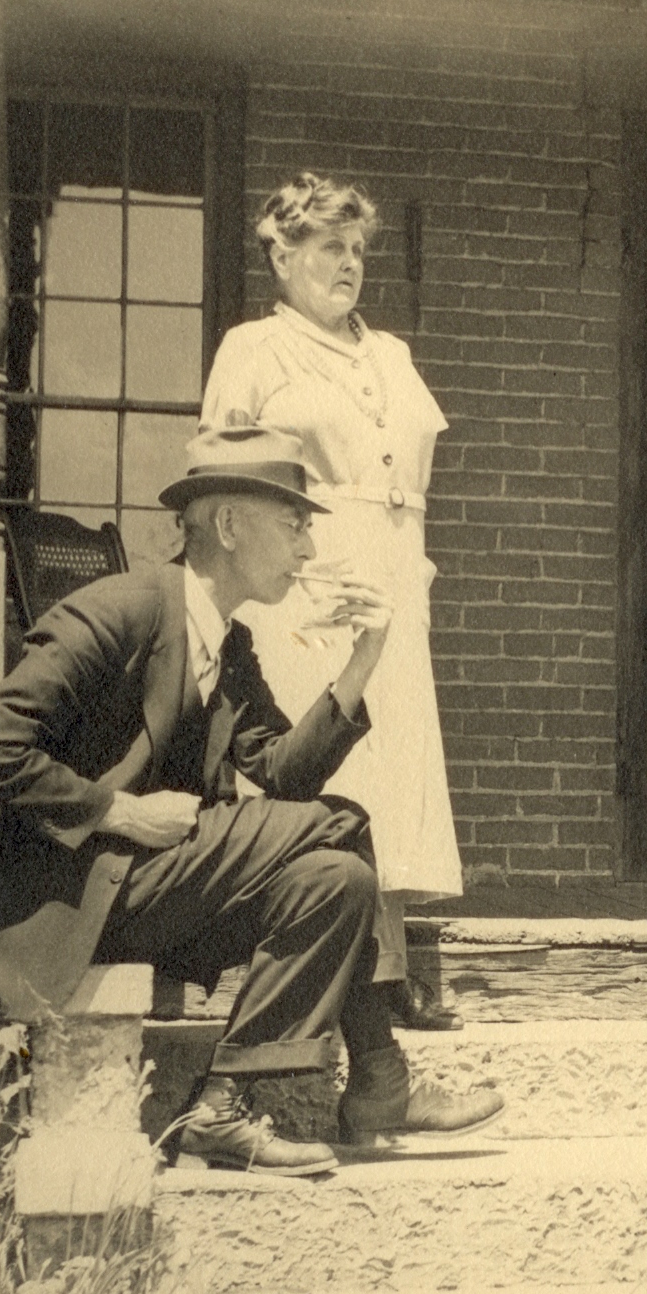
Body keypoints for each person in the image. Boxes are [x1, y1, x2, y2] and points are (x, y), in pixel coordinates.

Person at [0, 428, 504, 1176]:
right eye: (294, 524)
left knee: (338, 880)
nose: (309, 550)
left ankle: (221, 1107)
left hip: (151, 889)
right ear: (229, 525)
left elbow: (280, 779)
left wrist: (363, 658)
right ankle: (378, 1073)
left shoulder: (227, 645)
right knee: (344, 825)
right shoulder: (121, 609)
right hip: (61, 897)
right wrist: (117, 812)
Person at [200, 172, 462, 1026]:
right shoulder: (253, 348)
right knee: (327, 770)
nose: (347, 265)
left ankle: (385, 972)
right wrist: (292, 576)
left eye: (356, 250)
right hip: (305, 578)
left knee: (387, 780)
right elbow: (220, 481)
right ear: (281, 253)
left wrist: (408, 568)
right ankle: (340, 979)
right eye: (327, 247)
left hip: (390, 571)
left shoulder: (389, 353)